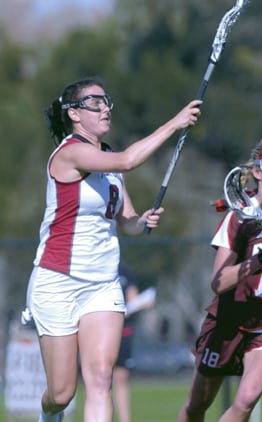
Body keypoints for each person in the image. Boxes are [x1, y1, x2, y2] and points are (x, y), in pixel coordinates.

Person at [22, 75, 201, 422]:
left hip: (103, 285)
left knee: (101, 379)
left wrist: (141, 221)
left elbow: (128, 220)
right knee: (61, 393)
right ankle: (48, 414)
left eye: (106, 102)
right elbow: (129, 160)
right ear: (74, 114)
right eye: (95, 103)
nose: (105, 109)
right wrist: (175, 123)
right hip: (58, 281)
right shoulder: (70, 153)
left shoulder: (108, 163)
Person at [177, 136, 262, 422]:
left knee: (245, 401)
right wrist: (261, 260)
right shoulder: (239, 218)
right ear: (257, 171)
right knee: (197, 405)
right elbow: (219, 283)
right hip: (227, 321)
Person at [112, 266, 155, 422]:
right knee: (100, 378)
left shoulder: (124, 271)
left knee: (121, 377)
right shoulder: (91, 267)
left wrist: (141, 303)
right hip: (100, 329)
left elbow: (133, 300)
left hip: (123, 330)